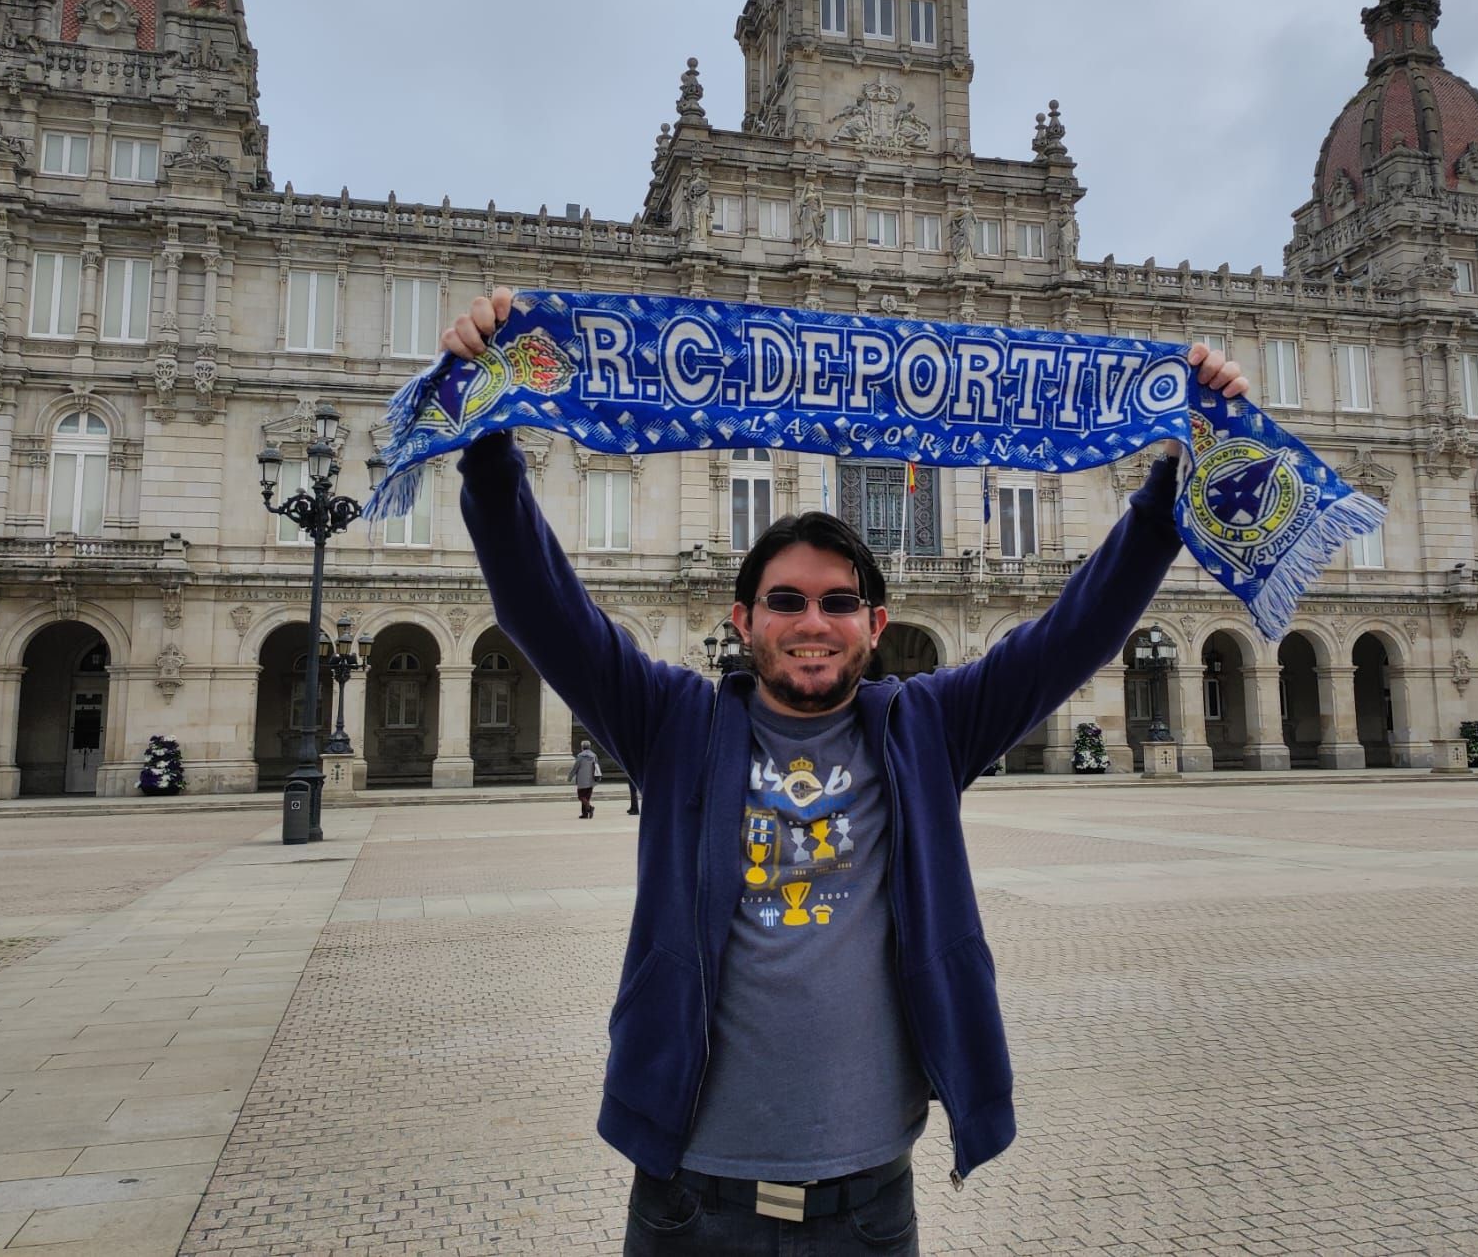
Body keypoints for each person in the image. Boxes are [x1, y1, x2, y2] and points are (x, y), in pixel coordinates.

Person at [443, 288, 1243, 1255]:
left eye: (837, 602)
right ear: (745, 623)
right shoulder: (675, 723)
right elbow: (545, 608)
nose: (811, 623)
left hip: (868, 1205)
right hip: (691, 1196)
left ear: (874, 620)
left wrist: (1167, 492)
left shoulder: (928, 730)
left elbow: (1074, 634)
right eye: (785, 601)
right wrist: (489, 445)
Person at [571, 742, 602, 818]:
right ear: (589, 747)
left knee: (581, 796)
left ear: (582, 747)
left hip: (582, 780)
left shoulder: (580, 756)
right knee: (586, 797)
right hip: (591, 780)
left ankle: (590, 808)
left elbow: (575, 768)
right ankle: (585, 814)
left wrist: (570, 777)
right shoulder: (594, 756)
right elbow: (597, 766)